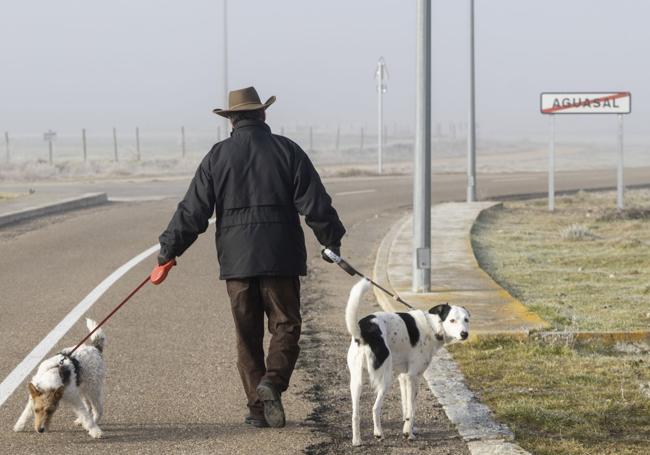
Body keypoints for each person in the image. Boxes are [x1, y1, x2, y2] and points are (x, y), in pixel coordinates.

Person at [154, 86, 345, 428]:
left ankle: (259, 409)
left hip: (237, 264)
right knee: (285, 325)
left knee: (247, 336)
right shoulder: (288, 150)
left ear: (231, 121)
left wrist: (168, 251)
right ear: (263, 115)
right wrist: (331, 240)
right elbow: (315, 202)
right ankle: (272, 383)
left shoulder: (217, 156)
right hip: (280, 258)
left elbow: (192, 211)